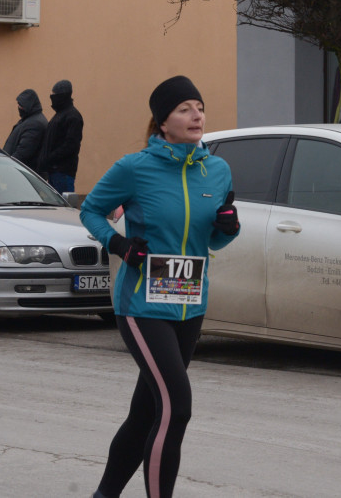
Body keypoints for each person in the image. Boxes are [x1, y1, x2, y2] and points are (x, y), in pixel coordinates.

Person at [79, 75, 240, 498]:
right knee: (176, 407)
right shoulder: (134, 168)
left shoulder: (217, 170)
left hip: (189, 302)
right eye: (184, 108)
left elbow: (216, 239)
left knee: (147, 410)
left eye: (200, 107)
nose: (197, 115)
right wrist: (118, 243)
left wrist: (228, 227)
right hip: (142, 305)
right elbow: (92, 211)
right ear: (162, 123)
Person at [37, 79, 83, 193]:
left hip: (62, 172)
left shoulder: (72, 116)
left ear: (62, 96)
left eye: (54, 95)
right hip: (54, 171)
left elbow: (70, 145)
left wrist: (50, 158)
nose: (52, 98)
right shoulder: (60, 115)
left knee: (64, 207)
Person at [2, 88, 47, 170]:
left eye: (21, 105)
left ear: (28, 106)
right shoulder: (29, 119)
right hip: (20, 172)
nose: (19, 107)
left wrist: (9, 165)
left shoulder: (35, 123)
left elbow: (24, 152)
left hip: (22, 174)